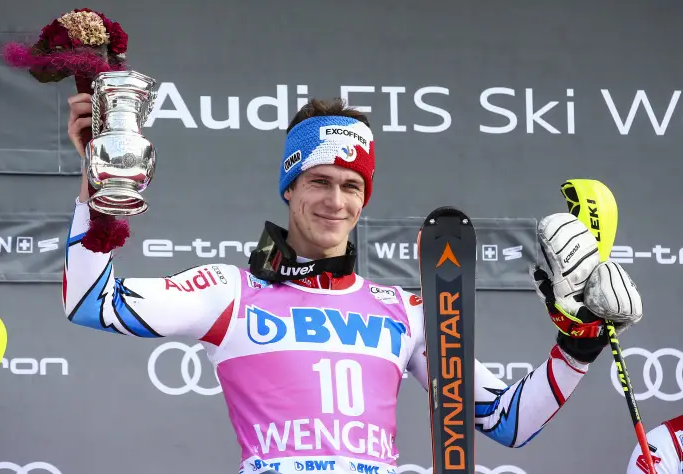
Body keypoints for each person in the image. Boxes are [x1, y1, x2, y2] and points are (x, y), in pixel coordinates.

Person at [63, 93, 643, 474]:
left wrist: (579, 342)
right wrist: (99, 182)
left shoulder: (408, 311)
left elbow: (510, 422)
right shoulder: (231, 293)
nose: (335, 201)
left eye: (351, 185)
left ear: (364, 199)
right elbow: (93, 302)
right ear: (288, 187)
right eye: (318, 181)